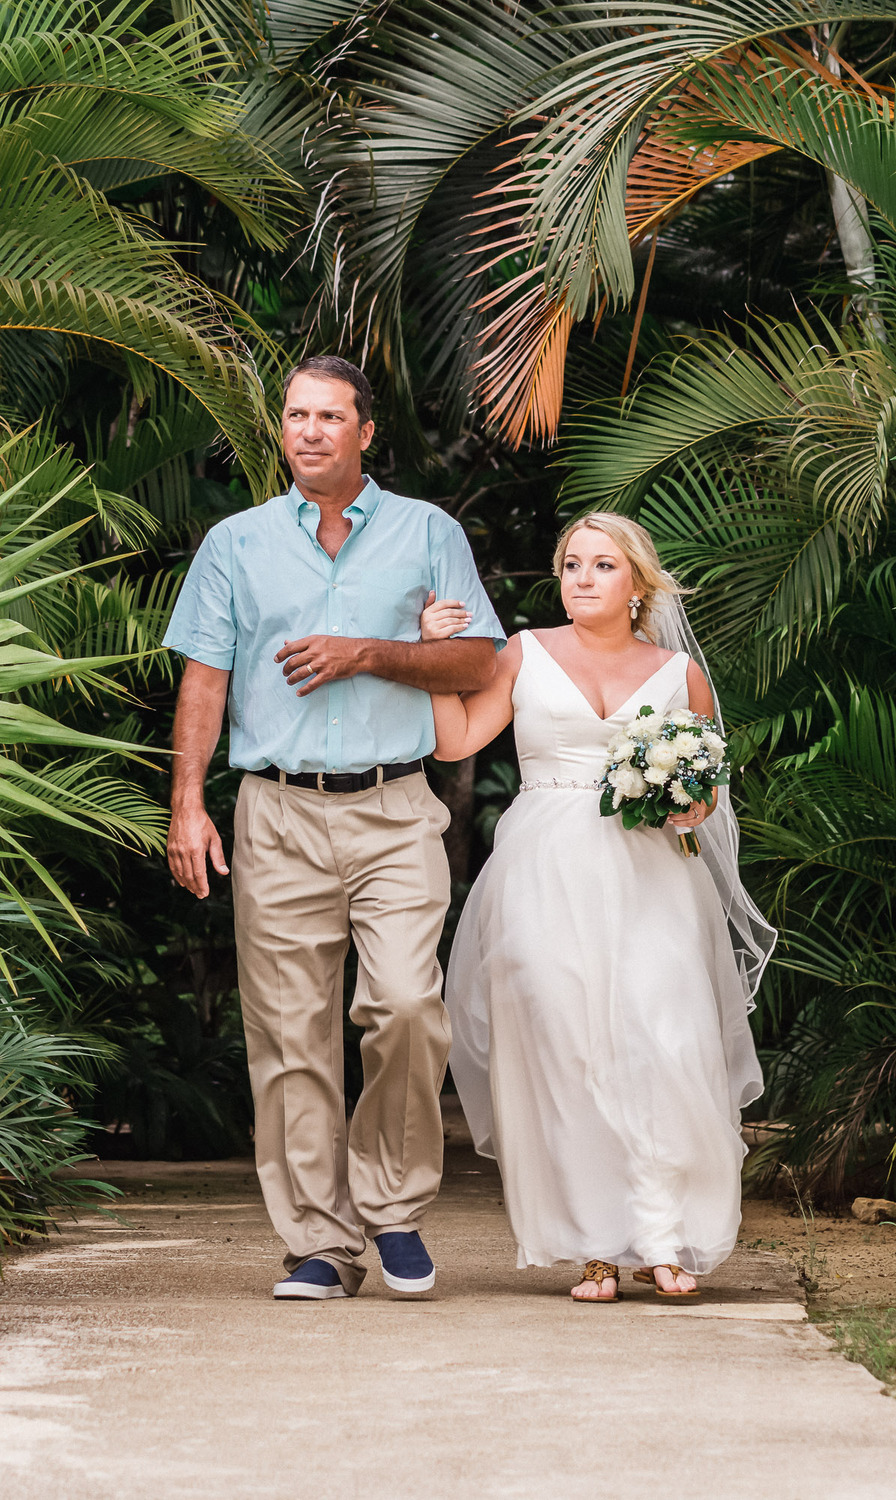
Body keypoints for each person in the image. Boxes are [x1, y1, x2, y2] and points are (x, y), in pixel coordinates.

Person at [163, 355, 505, 1301]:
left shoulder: (427, 532)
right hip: (275, 810)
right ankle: (318, 1240)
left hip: (394, 807)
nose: (309, 431)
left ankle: (392, 1208)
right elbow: (204, 680)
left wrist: (368, 654)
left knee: (406, 1005)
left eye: (328, 416)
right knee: (288, 1034)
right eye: (295, 416)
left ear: (365, 432)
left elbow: (478, 662)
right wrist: (187, 803)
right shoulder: (235, 543)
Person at [420, 513, 774, 1302]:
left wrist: (688, 805)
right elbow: (456, 742)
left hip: (652, 879)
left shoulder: (678, 672)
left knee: (662, 1042)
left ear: (637, 583)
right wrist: (438, 664)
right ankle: (595, 1248)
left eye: (602, 565)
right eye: (571, 564)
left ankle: (662, 1238)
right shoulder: (524, 652)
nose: (582, 578)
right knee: (566, 1049)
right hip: (542, 871)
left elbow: (707, 794)